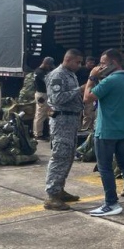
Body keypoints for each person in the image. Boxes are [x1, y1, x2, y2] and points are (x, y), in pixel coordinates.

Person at [83, 48, 124, 216]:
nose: (100, 67)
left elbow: (87, 98)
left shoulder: (109, 81)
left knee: (105, 168)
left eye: (103, 63)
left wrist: (92, 76)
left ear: (113, 63)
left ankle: (111, 203)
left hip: (106, 131)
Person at [43, 49, 84, 211]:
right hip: (62, 121)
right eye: (77, 62)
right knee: (59, 156)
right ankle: (52, 195)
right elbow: (57, 98)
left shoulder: (69, 74)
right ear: (68, 60)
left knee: (68, 156)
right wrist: (79, 90)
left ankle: (59, 189)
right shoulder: (57, 75)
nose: (79, 66)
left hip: (71, 121)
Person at [33, 56, 55, 140]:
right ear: (45, 63)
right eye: (49, 65)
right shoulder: (39, 72)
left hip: (44, 94)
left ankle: (44, 132)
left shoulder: (42, 71)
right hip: (42, 95)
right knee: (40, 114)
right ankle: (38, 134)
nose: (50, 67)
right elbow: (47, 81)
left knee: (47, 114)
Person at [77, 56, 98, 130]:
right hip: (80, 92)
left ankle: (85, 128)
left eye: (93, 63)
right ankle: (77, 128)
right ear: (86, 62)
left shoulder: (94, 71)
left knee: (88, 112)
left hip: (89, 92)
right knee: (78, 112)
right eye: (90, 62)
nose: (92, 64)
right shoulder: (80, 70)